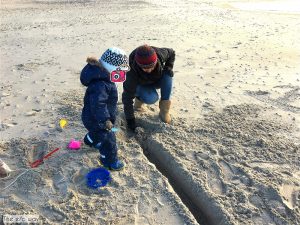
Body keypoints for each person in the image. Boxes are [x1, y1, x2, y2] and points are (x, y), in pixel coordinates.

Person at [80, 47, 129, 171]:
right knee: (108, 140)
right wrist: (105, 120)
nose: (122, 75)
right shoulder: (101, 84)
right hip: (98, 118)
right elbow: (99, 104)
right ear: (113, 70)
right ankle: (109, 161)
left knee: (95, 132)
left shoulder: (103, 77)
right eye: (121, 72)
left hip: (91, 117)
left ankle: (89, 140)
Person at [122, 44, 175, 131]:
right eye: (146, 68)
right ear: (139, 65)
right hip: (140, 84)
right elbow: (127, 97)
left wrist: (169, 66)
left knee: (168, 75)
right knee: (152, 98)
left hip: (156, 79)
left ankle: (164, 111)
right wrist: (130, 120)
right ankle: (139, 99)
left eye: (152, 67)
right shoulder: (131, 72)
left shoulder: (160, 54)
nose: (149, 70)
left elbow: (172, 52)